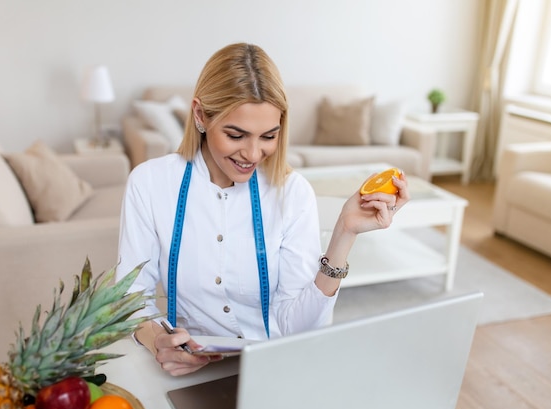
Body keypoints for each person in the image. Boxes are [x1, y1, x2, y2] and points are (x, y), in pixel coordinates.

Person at [116, 42, 410, 376]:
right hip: (185, 372)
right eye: (236, 135)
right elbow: (130, 297)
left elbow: (295, 328)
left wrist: (344, 234)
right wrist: (158, 341)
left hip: (272, 368)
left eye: (268, 136)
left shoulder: (292, 193)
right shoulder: (150, 184)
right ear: (200, 115)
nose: (253, 154)